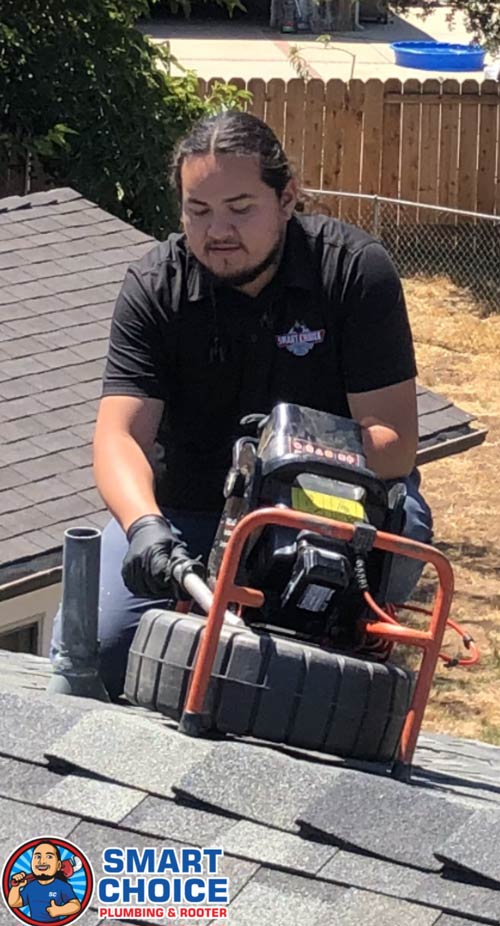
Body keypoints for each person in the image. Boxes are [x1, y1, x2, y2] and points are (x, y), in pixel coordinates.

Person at [51, 110, 432, 700]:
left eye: (240, 208)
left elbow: (393, 446)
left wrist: (285, 455)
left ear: (287, 199)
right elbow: (117, 437)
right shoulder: (155, 287)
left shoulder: (355, 272)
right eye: (198, 211)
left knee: (306, 671)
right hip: (190, 509)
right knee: (98, 649)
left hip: (332, 499)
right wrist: (146, 527)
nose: (218, 231)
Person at [8, 843, 81, 922]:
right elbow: (14, 903)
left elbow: (76, 905)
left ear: (59, 865)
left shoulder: (62, 886)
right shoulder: (30, 887)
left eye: (49, 856)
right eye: (38, 856)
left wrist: (60, 910)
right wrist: (16, 887)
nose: (42, 861)